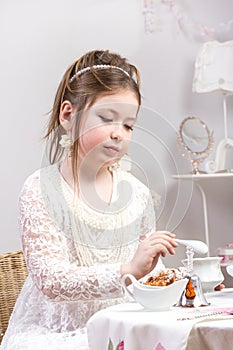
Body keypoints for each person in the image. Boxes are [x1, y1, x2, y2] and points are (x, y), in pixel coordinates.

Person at [0, 50, 178, 350]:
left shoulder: (137, 194)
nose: (118, 133)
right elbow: (51, 281)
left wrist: (177, 284)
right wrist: (126, 271)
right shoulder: (40, 190)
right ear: (68, 115)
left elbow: (146, 272)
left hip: (123, 327)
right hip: (58, 335)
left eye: (128, 125)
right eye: (107, 118)